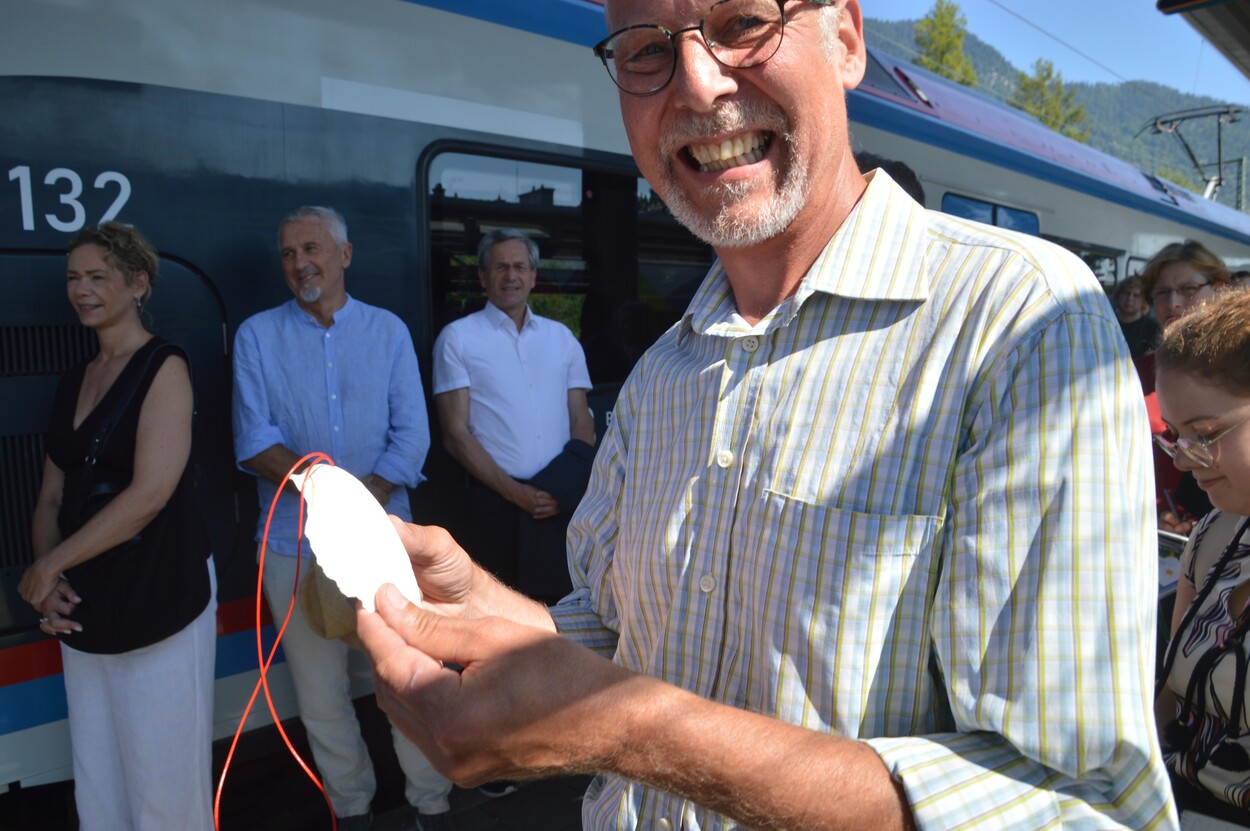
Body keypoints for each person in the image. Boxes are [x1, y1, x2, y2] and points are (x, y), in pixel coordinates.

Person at [358, 2, 1172, 829]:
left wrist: (630, 728)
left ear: (847, 38)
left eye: (743, 22)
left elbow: (1085, 804)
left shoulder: (1018, 326)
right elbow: (621, 640)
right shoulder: (659, 379)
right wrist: (487, 610)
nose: (699, 83)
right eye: (646, 50)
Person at [231, 206, 454, 831]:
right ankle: (353, 812)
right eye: (287, 253)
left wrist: (361, 503)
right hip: (289, 544)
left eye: (311, 248)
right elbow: (253, 441)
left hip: (384, 540)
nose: (300, 262)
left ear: (344, 255)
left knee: (406, 681)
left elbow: (412, 437)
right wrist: (331, 495)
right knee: (321, 695)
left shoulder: (387, 332)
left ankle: (432, 807)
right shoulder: (255, 336)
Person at [19, 222, 216, 831]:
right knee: (99, 782)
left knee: (166, 787)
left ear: (138, 283)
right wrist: (51, 582)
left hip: (159, 592)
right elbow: (51, 495)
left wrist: (48, 567)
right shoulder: (73, 380)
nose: (82, 290)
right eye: (74, 279)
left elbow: (151, 494)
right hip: (87, 602)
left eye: (98, 277)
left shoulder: (165, 367)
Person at [432, 228, 595, 604]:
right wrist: (516, 493)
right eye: (500, 267)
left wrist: (563, 489)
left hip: (557, 508)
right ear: (483, 276)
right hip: (495, 508)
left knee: (558, 615)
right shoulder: (457, 338)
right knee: (495, 617)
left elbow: (582, 421)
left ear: (534, 276)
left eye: (520, 266)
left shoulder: (562, 338)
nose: (511, 276)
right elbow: (455, 434)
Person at [1154, 288, 1250, 824]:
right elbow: (1171, 696)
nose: (1187, 463)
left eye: (1207, 435)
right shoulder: (1215, 531)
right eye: (1176, 436)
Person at [1135, 240, 1230, 535]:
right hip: (1156, 528)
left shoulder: (1240, 367)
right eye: (1162, 292)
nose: (1174, 303)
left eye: (1189, 289)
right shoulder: (1133, 373)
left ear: (1220, 289)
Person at [1111, 274, 1160, 359]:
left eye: (1136, 295)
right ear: (1118, 296)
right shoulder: (1108, 322)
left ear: (1143, 301)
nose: (1130, 298)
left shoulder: (1152, 327)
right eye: (1127, 293)